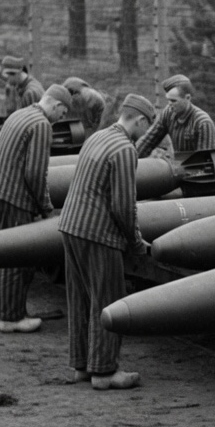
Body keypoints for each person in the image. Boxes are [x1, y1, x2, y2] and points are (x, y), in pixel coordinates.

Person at [58, 94, 155, 390]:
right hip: (98, 234)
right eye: (147, 126)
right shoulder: (125, 149)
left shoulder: (98, 137)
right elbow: (124, 206)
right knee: (108, 297)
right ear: (139, 120)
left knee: (81, 298)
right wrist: (136, 242)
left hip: (70, 226)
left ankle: (81, 366)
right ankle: (103, 371)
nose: (146, 132)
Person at [0, 84, 73, 333]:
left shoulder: (20, 114)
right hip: (14, 197)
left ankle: (5, 313)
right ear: (56, 105)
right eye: (63, 114)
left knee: (7, 253)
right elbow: (36, 173)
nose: (60, 120)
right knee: (19, 258)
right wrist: (46, 207)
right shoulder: (41, 125)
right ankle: (12, 318)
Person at [135, 74, 215, 158]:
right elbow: (148, 141)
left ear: (187, 98)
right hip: (181, 165)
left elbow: (205, 160)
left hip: (204, 167)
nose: (169, 105)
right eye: (168, 100)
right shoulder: (168, 113)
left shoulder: (202, 122)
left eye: (173, 101)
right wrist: (132, 159)